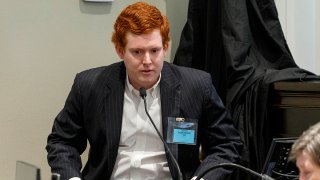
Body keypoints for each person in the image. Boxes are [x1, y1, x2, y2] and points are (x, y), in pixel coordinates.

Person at [46, 2, 243, 180]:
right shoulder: (89, 85)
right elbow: (62, 141)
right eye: (137, 52)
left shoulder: (197, 86)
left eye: (154, 50)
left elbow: (227, 144)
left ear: (165, 47)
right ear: (120, 50)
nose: (147, 61)